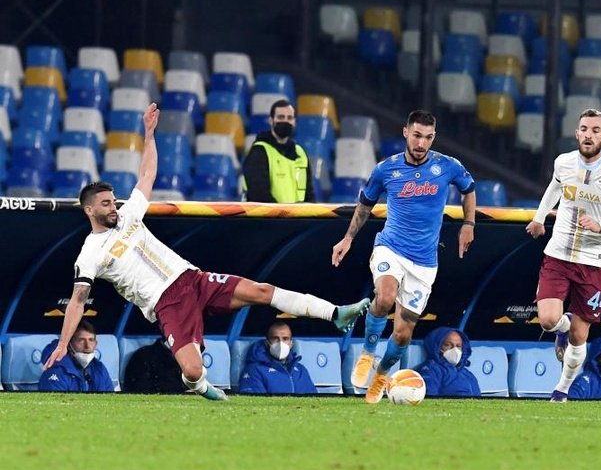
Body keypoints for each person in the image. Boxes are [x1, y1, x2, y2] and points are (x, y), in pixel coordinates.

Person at [42, 103, 370, 402]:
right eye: (106, 204)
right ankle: (200, 387)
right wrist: (61, 343)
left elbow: (147, 175)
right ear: (89, 210)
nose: (114, 208)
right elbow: (77, 301)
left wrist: (149, 134)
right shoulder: (90, 253)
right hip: (166, 303)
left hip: (193, 279)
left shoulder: (129, 215)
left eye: (113, 201)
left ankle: (335, 313)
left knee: (260, 291)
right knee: (193, 371)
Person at [332, 109, 476, 404]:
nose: (422, 143)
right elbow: (365, 205)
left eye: (428, 137)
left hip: (424, 263)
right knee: (384, 297)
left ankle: (383, 373)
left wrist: (468, 224)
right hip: (391, 248)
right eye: (417, 135)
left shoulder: (447, 166)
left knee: (402, 333)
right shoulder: (386, 169)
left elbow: (469, 189)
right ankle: (368, 352)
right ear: (405, 133)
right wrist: (347, 238)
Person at [526, 108, 601, 403]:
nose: (588, 135)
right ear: (576, 133)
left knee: (580, 336)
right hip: (558, 255)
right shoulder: (563, 163)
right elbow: (554, 187)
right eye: (584, 129)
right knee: (548, 320)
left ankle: (561, 389)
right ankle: (560, 330)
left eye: (594, 130)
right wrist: (540, 219)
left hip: (593, 262)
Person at [243, 99, 315, 203]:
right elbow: (258, 194)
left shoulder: (301, 153)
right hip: (269, 218)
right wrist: (282, 215)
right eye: (281, 117)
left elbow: (309, 193)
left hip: (298, 218)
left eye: (289, 118)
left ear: (294, 122)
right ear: (271, 120)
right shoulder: (259, 151)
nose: (285, 121)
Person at [238, 321, 317, 395]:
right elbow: (254, 403)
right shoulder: (254, 370)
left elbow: (315, 400)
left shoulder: (301, 370)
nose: (281, 343)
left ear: (291, 343)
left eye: (285, 339)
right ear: (267, 343)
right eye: (275, 338)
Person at [39, 320, 114, 392]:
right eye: (81, 340)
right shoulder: (56, 372)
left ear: (96, 344)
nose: (87, 346)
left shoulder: (99, 369)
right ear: (69, 344)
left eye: (91, 340)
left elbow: (112, 401)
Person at [414, 327, 480, 397]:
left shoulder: (467, 374)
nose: (455, 349)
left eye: (458, 346)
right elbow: (428, 400)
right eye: (448, 345)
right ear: (438, 347)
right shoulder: (431, 370)